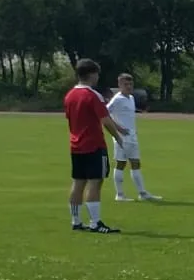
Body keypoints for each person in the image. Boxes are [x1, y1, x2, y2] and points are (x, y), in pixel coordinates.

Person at [64, 58, 126, 233]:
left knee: (78, 182)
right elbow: (105, 120)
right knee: (95, 182)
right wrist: (118, 138)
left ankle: (76, 221)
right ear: (91, 74)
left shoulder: (70, 95)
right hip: (93, 145)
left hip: (76, 145)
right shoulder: (92, 95)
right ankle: (95, 222)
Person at [107, 72, 159, 201]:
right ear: (120, 85)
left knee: (136, 163)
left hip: (132, 136)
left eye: (130, 84)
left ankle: (142, 193)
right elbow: (105, 113)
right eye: (126, 84)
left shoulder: (131, 97)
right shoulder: (117, 99)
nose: (129, 86)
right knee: (121, 163)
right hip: (122, 137)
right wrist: (118, 128)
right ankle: (120, 194)